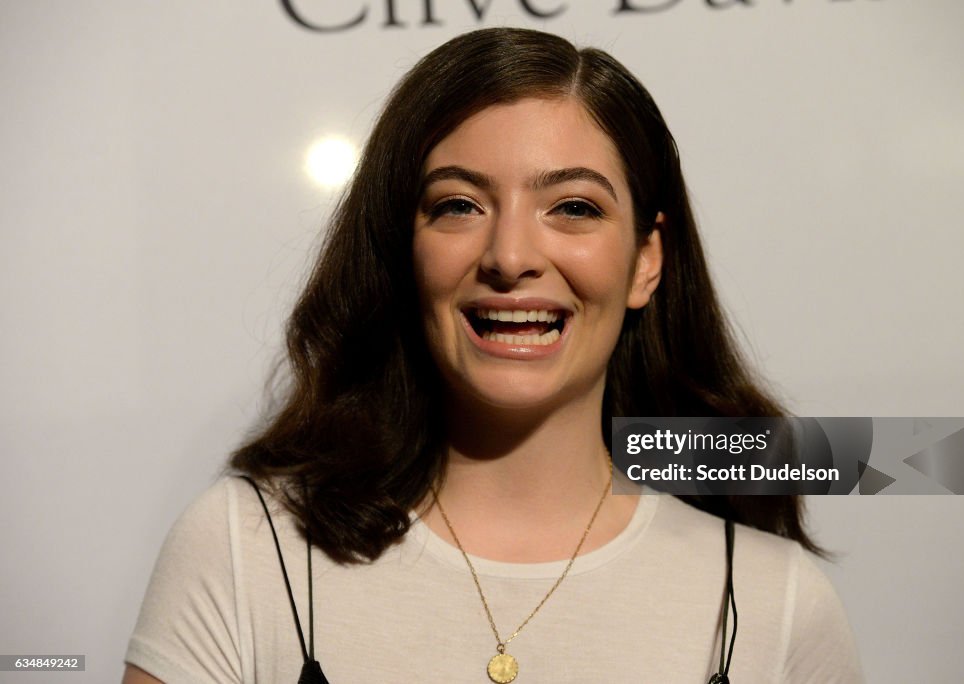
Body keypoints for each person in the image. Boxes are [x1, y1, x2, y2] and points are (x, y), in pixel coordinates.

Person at [123, 27, 862, 684]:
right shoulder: (245, 550)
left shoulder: (775, 601)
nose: (510, 256)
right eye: (458, 206)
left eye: (574, 207)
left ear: (646, 261)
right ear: (401, 250)